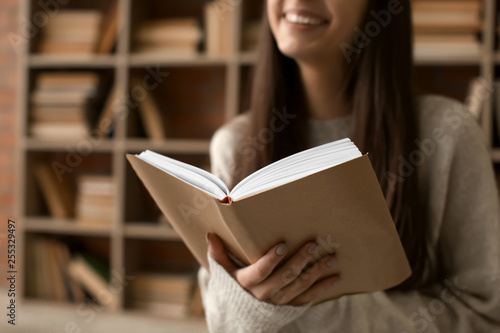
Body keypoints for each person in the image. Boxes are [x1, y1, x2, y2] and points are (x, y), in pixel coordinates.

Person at [198, 0, 500, 332]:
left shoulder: (446, 134)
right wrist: (250, 308)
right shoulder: (235, 143)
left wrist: (319, 308)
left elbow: (486, 316)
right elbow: (221, 322)